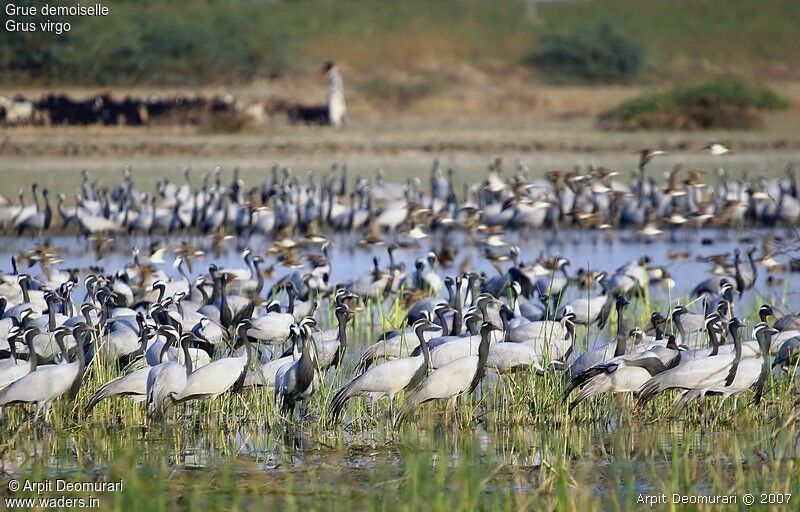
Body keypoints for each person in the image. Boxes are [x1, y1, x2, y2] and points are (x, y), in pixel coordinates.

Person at [324, 61, 346, 127]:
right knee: (339, 107)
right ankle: (339, 121)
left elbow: (335, 85)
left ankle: (335, 122)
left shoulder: (333, 74)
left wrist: (331, 92)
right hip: (338, 93)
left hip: (334, 93)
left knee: (334, 107)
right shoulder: (336, 73)